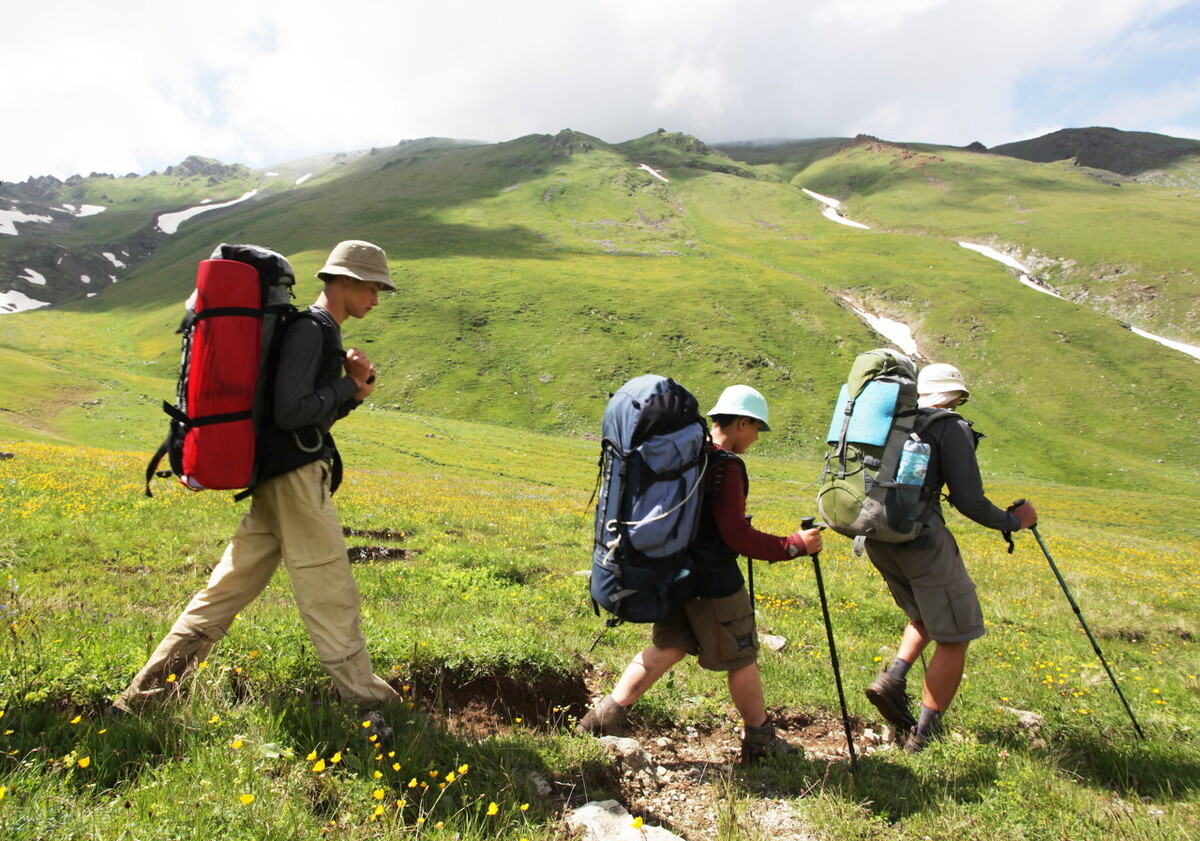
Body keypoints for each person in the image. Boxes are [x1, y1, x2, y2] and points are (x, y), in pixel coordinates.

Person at [111, 240, 401, 733]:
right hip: (294, 482)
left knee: (227, 587)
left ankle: (146, 694)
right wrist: (348, 384)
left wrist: (353, 391)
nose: (376, 298)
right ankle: (364, 695)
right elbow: (290, 412)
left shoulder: (315, 329)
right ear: (345, 282)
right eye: (372, 287)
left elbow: (302, 413)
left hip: (276, 479)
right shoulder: (314, 329)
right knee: (331, 587)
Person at [576, 385, 824, 763]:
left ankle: (602, 718)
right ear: (742, 423)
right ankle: (760, 741)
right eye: (757, 429)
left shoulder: (687, 457)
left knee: (668, 647)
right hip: (714, 582)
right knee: (742, 657)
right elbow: (735, 535)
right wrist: (793, 545)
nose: (756, 439)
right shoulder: (726, 465)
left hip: (672, 573)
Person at [863, 362, 1037, 752]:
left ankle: (893, 679)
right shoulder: (949, 425)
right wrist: (1013, 521)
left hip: (876, 534)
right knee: (956, 635)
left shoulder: (892, 419)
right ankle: (923, 735)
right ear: (955, 396)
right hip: (920, 541)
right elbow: (969, 500)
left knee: (924, 614)